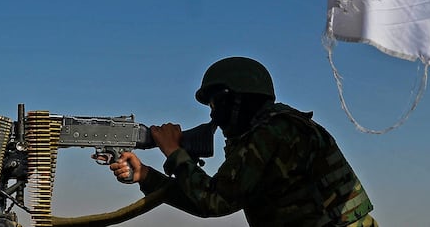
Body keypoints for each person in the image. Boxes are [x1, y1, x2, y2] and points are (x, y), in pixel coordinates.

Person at [109, 56, 378, 226]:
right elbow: (210, 199)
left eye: (215, 103)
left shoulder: (276, 132)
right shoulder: (269, 131)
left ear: (233, 99)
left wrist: (173, 151)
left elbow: (213, 201)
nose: (213, 113)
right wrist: (145, 176)